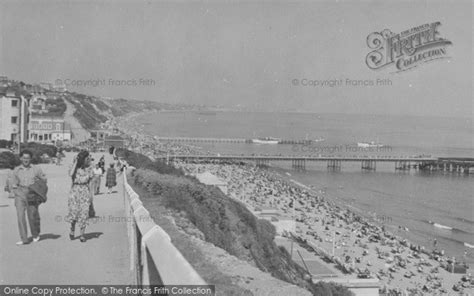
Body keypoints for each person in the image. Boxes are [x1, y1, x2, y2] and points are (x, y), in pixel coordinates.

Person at [10, 149, 47, 245]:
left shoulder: (36, 169)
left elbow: (44, 180)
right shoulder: (16, 170)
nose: (26, 160)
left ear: (31, 159)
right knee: (20, 216)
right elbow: (13, 183)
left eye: (28, 158)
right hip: (20, 193)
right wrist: (15, 190)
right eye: (24, 158)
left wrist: (38, 182)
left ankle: (35, 234)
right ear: (20, 158)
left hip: (32, 193)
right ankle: (24, 239)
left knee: (32, 215)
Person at [65, 150, 94, 242]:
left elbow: (90, 183)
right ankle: (72, 230)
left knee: (84, 214)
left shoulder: (90, 169)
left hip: (85, 191)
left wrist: (91, 196)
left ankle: (82, 235)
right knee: (74, 213)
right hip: (74, 192)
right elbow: (70, 174)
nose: (89, 159)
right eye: (87, 158)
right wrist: (76, 162)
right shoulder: (74, 168)